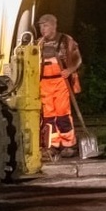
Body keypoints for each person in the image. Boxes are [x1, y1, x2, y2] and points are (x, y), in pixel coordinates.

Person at [35, 13, 82, 159]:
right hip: (44, 83)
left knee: (62, 113)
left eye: (46, 25)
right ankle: (52, 145)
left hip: (61, 82)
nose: (43, 29)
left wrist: (70, 70)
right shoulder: (38, 43)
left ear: (54, 26)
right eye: (41, 26)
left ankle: (68, 145)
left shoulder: (65, 40)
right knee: (48, 116)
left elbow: (77, 58)